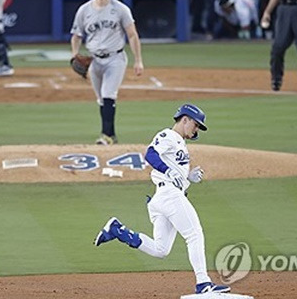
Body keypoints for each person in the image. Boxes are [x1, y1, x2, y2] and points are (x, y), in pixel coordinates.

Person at [93, 103, 231, 295]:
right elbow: (150, 154)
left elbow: (174, 169)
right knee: (194, 234)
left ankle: (118, 230)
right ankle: (203, 283)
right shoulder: (168, 136)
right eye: (196, 124)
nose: (197, 129)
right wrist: (167, 171)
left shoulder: (179, 142)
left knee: (161, 249)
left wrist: (187, 177)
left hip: (163, 198)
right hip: (169, 196)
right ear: (185, 120)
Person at [69, 0, 144, 145]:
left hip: (115, 58)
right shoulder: (84, 10)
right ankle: (112, 135)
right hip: (94, 61)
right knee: (101, 100)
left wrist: (138, 60)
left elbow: (132, 35)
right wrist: (74, 54)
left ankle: (105, 135)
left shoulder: (120, 9)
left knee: (108, 94)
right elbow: (76, 35)